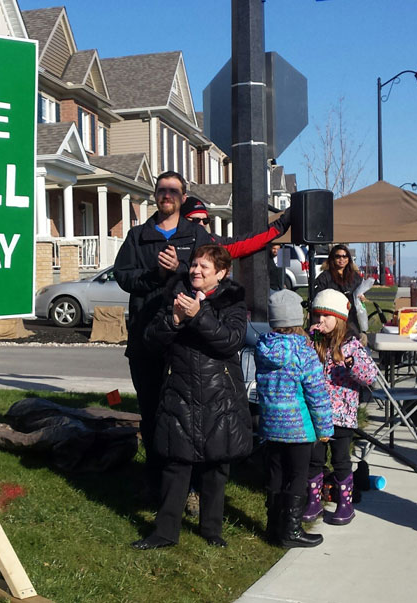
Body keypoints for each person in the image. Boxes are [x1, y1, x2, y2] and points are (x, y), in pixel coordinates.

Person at [131, 244, 252, 549]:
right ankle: (164, 532)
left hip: (220, 392)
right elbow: (150, 342)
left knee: (216, 464)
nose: (196, 270)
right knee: (176, 463)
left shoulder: (233, 300)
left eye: (204, 267)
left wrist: (199, 316)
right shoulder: (175, 294)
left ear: (221, 274)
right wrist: (172, 320)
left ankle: (212, 530)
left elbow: (231, 341)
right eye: (195, 265)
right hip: (180, 389)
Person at [114, 173, 214, 503]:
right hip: (146, 339)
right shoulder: (138, 236)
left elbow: (210, 277)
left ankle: (192, 485)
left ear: (183, 198)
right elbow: (123, 277)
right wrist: (156, 274)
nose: (167, 195)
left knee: (189, 412)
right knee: (153, 411)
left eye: (174, 191)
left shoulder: (195, 234)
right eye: (162, 190)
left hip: (186, 340)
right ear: (155, 196)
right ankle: (156, 481)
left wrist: (180, 270)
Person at [255, 288, 333, 548]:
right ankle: (291, 531)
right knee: (298, 476)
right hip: (299, 428)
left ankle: (273, 527)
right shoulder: (304, 353)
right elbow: (317, 395)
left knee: (276, 474)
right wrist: (324, 428)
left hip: (270, 425)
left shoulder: (262, 348)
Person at [303, 289, 375, 526]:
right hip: (316, 414)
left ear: (339, 319)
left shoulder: (351, 346)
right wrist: (309, 339)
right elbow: (302, 363)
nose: (320, 321)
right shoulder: (314, 343)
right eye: (316, 316)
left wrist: (352, 364)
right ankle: (314, 501)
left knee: (341, 460)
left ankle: (346, 504)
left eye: (325, 316)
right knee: (314, 459)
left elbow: (370, 376)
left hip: (341, 416)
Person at [180, 195, 292, 261]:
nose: (201, 224)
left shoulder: (213, 243)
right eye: (195, 220)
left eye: (205, 221)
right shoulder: (169, 241)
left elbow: (247, 242)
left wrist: (281, 224)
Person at [312, 244, 369, 335]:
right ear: (332, 259)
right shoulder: (325, 277)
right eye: (338, 256)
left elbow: (361, 291)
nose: (341, 259)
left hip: (351, 316)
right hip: (333, 317)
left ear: (348, 258)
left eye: (344, 256)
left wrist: (362, 296)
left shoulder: (355, 276)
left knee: (352, 338)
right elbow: (318, 295)